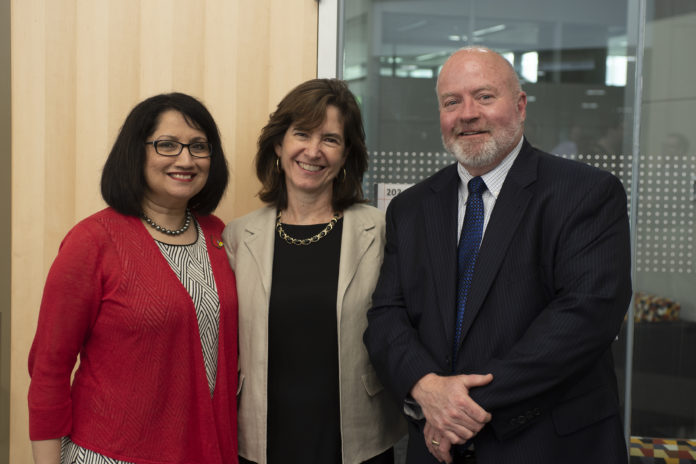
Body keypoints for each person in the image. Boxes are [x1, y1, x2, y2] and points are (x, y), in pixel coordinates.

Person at [364, 47, 632, 464]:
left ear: (520, 106)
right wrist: (425, 387)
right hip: (438, 448)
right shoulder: (412, 208)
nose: (467, 113)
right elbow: (386, 315)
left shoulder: (584, 193)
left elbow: (586, 317)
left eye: (485, 96)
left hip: (547, 446)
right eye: (452, 102)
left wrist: (456, 409)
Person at [28, 93, 238, 464]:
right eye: (167, 145)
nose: (185, 160)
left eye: (199, 147)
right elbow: (49, 369)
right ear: (135, 152)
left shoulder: (219, 235)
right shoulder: (93, 241)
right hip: (112, 454)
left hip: (203, 450)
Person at [223, 78, 405, 464]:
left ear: (346, 154)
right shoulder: (239, 236)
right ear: (278, 144)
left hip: (358, 438)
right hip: (262, 437)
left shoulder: (380, 230)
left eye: (330, 139)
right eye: (301, 134)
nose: (313, 150)